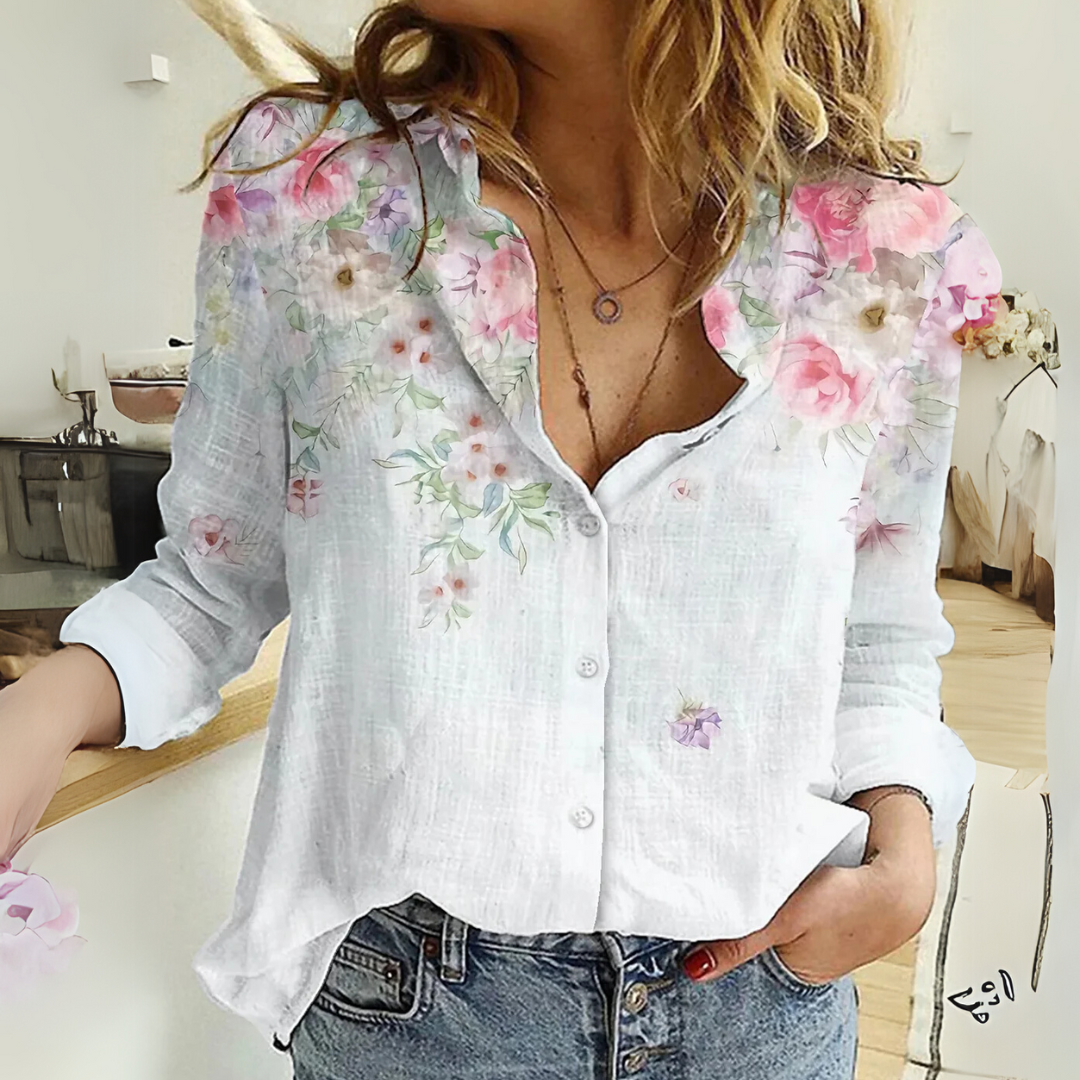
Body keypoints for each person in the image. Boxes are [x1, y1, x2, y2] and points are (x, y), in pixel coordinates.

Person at [0, 0, 1002, 1076]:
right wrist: (44, 704)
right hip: (417, 1016)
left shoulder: (885, 250)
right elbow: (210, 580)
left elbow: (879, 637)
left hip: (763, 1007)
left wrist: (904, 834)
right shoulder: (312, 189)